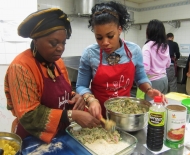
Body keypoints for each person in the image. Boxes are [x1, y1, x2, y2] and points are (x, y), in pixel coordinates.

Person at [4, 8, 100, 143]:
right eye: (54, 43)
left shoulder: (58, 62)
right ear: (36, 40)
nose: (60, 48)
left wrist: (75, 97)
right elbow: (29, 116)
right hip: (32, 139)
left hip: (60, 135)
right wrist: (73, 115)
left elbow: (62, 93)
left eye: (63, 42)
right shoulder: (21, 67)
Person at [76, 1, 167, 119]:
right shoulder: (89, 53)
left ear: (119, 29)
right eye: (99, 38)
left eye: (110, 36)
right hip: (98, 115)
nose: (105, 42)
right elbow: (81, 86)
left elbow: (140, 78)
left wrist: (149, 90)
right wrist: (91, 99)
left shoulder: (134, 50)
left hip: (125, 115)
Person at [141, 19, 171, 101]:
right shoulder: (165, 46)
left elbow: (145, 69)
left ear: (149, 31)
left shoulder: (147, 47)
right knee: (161, 104)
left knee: (150, 107)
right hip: (165, 79)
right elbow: (168, 64)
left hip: (153, 82)